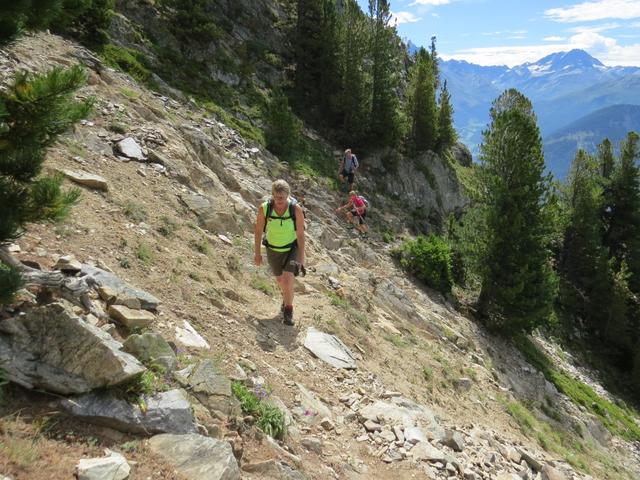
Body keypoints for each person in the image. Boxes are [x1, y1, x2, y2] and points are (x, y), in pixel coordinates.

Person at [254, 179, 305, 326]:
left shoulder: (295, 210)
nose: (279, 201)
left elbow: (300, 235)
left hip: (291, 249)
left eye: (281, 197)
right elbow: (258, 231)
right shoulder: (265, 208)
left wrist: (301, 258)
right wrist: (257, 253)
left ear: (288, 195)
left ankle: (288, 312)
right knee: (280, 281)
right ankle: (286, 298)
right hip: (273, 249)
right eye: (276, 197)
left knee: (288, 281)